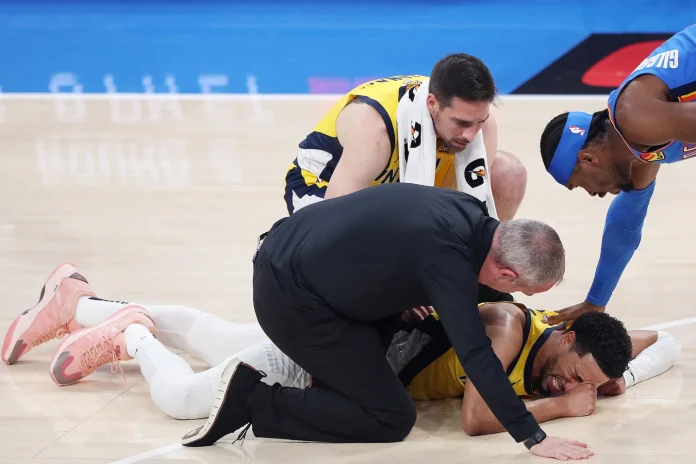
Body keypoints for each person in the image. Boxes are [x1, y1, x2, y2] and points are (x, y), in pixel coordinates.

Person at [177, 182, 595, 461]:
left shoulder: (469, 211)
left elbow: (396, 245)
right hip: (291, 298)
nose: (514, 298)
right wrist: (532, 436)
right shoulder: (448, 263)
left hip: (299, 256)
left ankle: (321, 392)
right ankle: (251, 400)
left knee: (360, 388)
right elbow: (475, 352)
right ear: (505, 272)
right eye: (521, 290)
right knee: (391, 417)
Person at [2, 265, 680, 435]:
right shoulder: (507, 328)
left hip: (348, 340)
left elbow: (663, 339)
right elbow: (479, 418)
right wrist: (564, 411)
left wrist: (620, 374)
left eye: (577, 384)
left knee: (213, 335)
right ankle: (131, 334)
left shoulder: (574, 348)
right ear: (564, 338)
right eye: (570, 374)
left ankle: (77, 299)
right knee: (183, 399)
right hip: (334, 358)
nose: (566, 386)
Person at [538, 24, 696, 324]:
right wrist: (595, 302)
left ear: (587, 159)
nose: (593, 194)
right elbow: (625, 225)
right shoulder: (638, 148)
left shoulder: (635, 117)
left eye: (579, 185)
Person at [285, 53, 527, 221]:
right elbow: (334, 219)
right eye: (461, 123)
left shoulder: (482, 128)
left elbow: (468, 205)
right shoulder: (376, 129)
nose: (470, 135)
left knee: (508, 173)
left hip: (397, 185)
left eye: (479, 122)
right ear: (432, 104)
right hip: (324, 186)